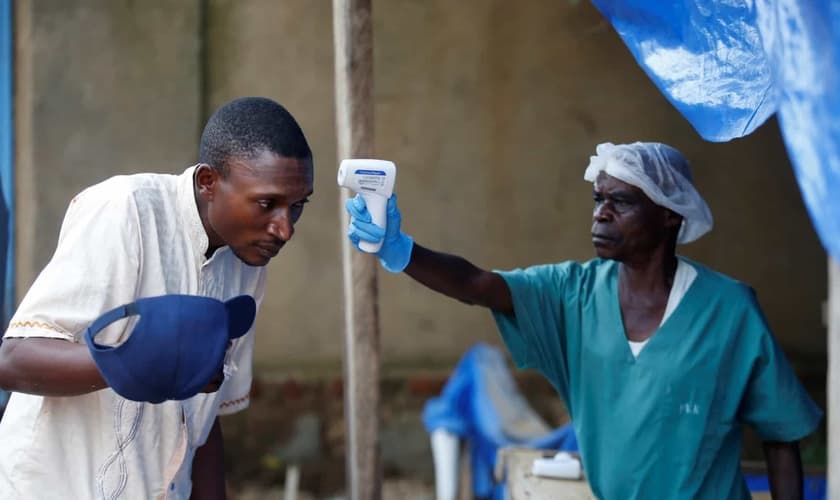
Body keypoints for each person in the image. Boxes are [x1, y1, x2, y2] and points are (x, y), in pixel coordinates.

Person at [345, 142, 822, 499]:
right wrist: (401, 250)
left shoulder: (729, 311)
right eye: (598, 199)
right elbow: (478, 285)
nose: (601, 215)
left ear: (670, 217)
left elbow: (781, 439)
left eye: (622, 202)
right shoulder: (572, 296)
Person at [0, 96, 314, 499]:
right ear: (208, 183)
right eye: (267, 204)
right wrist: (132, 363)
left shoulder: (247, 263)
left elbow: (205, 419)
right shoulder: (125, 210)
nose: (284, 229)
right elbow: (12, 360)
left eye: (298, 206)